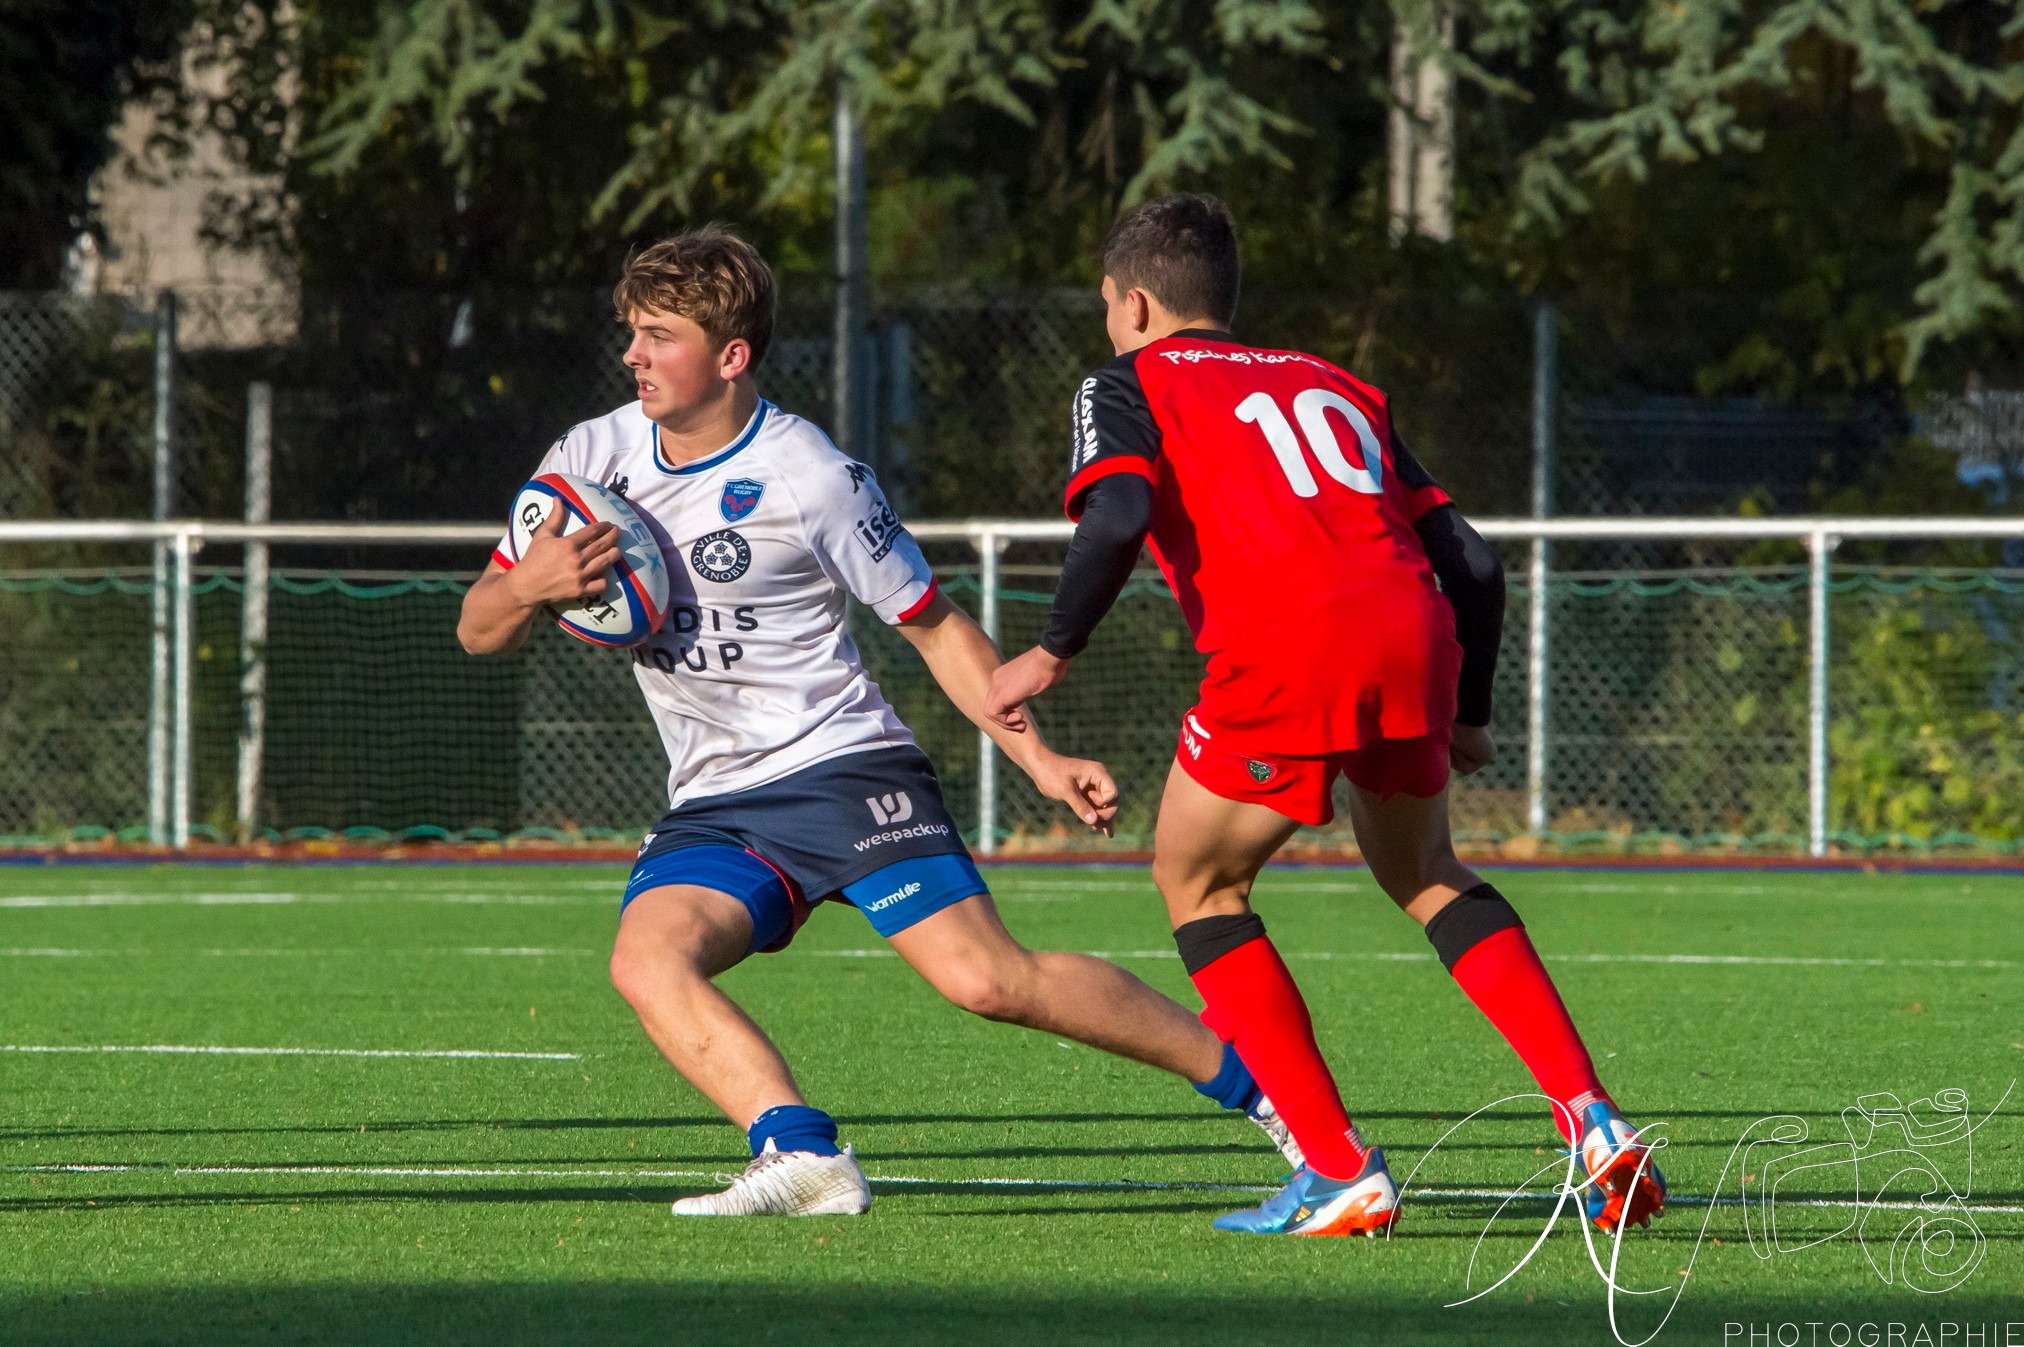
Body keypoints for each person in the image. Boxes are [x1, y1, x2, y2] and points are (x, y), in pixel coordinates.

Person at [458, 227, 1299, 1217]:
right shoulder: (588, 458)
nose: (632, 355)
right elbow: (478, 628)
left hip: (845, 774)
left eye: (657, 335)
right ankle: (800, 1154)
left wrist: (1037, 759)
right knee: (646, 958)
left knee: (989, 982)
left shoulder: (808, 473)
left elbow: (934, 628)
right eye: (630, 334)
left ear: (729, 356)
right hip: (715, 802)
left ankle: (1259, 1087)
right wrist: (531, 587)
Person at [986, 193, 1666, 1237]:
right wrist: (1469, 712)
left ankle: (1337, 1166)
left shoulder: (1125, 382)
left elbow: (1117, 512)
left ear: (1130, 303)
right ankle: (1591, 1120)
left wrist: (1047, 650)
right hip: (1413, 635)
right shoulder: (1334, 382)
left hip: (1283, 649)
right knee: (1427, 873)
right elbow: (1473, 563)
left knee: (1198, 883)